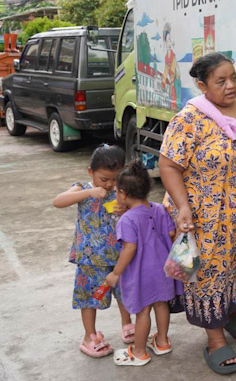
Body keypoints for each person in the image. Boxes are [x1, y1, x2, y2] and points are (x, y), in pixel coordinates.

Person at [159, 52, 236, 375]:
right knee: (208, 276)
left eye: (234, 77)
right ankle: (214, 340)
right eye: (221, 81)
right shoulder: (189, 120)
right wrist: (183, 206)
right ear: (201, 85)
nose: (231, 86)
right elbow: (168, 165)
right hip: (209, 220)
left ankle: (235, 313)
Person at [53, 144, 132, 358]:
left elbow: (139, 211)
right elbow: (57, 201)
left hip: (119, 257)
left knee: (123, 293)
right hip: (89, 258)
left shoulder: (122, 193)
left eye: (115, 179)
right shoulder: (82, 188)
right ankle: (90, 336)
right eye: (103, 179)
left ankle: (127, 325)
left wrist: (125, 208)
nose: (109, 184)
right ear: (91, 172)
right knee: (88, 298)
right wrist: (88, 191)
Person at [106, 160, 182, 367]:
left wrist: (115, 273)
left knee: (142, 312)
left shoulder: (127, 220)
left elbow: (129, 248)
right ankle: (163, 341)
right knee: (161, 304)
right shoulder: (159, 209)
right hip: (164, 269)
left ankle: (139, 352)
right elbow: (171, 233)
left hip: (143, 273)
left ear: (122, 194)